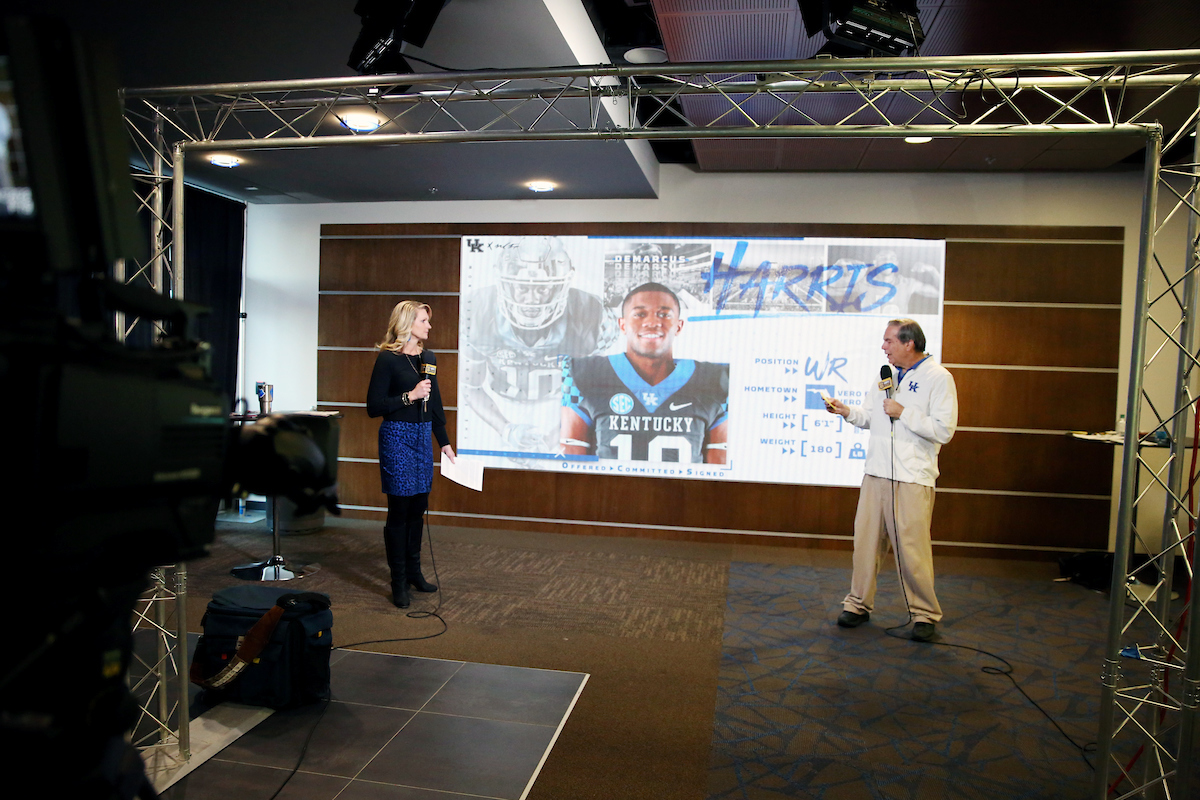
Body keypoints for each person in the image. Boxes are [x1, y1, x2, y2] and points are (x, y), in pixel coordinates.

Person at [824, 319, 957, 642]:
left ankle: (924, 614)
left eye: (889, 341)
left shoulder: (938, 378)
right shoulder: (886, 376)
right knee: (866, 543)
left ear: (908, 344)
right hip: (876, 472)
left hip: (912, 477)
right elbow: (872, 416)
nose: (884, 347)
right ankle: (857, 604)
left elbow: (943, 430)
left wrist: (904, 412)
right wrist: (846, 411)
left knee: (912, 549)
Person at [461, 237, 616, 456]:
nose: (531, 299)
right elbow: (472, 387)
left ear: (560, 287)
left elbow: (588, 393)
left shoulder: (591, 314)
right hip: (495, 407)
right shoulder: (478, 310)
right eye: (522, 288)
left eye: (542, 289)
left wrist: (551, 438)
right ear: (504, 285)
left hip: (559, 410)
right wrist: (505, 429)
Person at [561, 282, 728, 463]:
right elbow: (572, 465)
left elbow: (718, 473)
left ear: (679, 326)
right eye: (640, 314)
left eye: (664, 314)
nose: (652, 322)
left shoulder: (715, 380)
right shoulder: (583, 374)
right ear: (622, 325)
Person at [366, 300, 456, 609]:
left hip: (421, 439)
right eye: (423, 320)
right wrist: (409, 396)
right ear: (407, 323)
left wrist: (443, 442)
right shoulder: (387, 360)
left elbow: (436, 404)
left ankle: (415, 572)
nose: (429, 326)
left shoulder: (428, 357)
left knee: (419, 507)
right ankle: (398, 581)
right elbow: (374, 406)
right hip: (397, 437)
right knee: (400, 509)